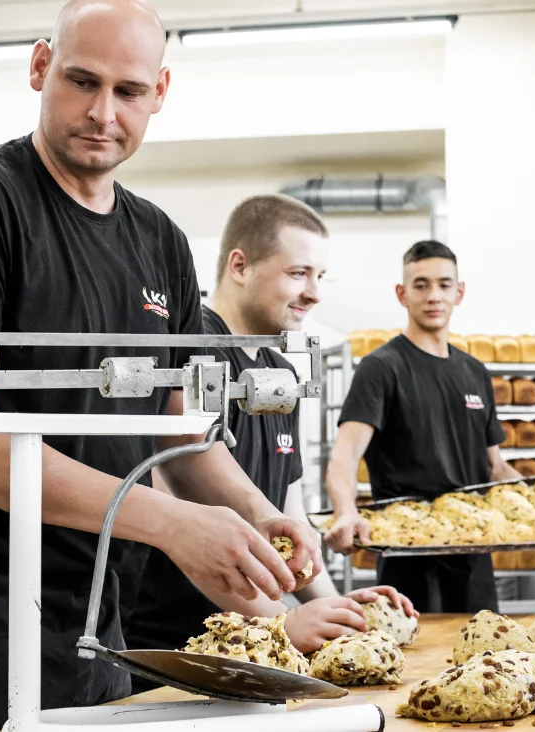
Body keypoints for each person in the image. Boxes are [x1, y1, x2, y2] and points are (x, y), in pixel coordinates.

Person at [0, 3, 322, 730]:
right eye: (82, 81)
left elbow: (181, 435)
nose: (102, 112)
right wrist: (171, 525)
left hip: (92, 616)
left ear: (160, 91)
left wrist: (260, 515)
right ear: (41, 67)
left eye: (129, 91)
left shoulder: (159, 242)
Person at [124, 194, 416, 690]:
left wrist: (330, 605)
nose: (315, 293)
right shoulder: (191, 350)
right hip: (182, 650)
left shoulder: (278, 374)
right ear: (240, 265)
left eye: (321, 277)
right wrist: (278, 619)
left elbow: (289, 514)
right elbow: (177, 512)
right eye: (299, 273)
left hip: (261, 650)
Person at [323, 240, 522, 613]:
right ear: (402, 294)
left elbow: (495, 466)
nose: (434, 295)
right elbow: (345, 456)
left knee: (485, 660)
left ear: (459, 292)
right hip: (410, 555)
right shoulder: (381, 368)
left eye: (444, 285)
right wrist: (346, 510)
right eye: (421, 285)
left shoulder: (475, 373)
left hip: (473, 554)